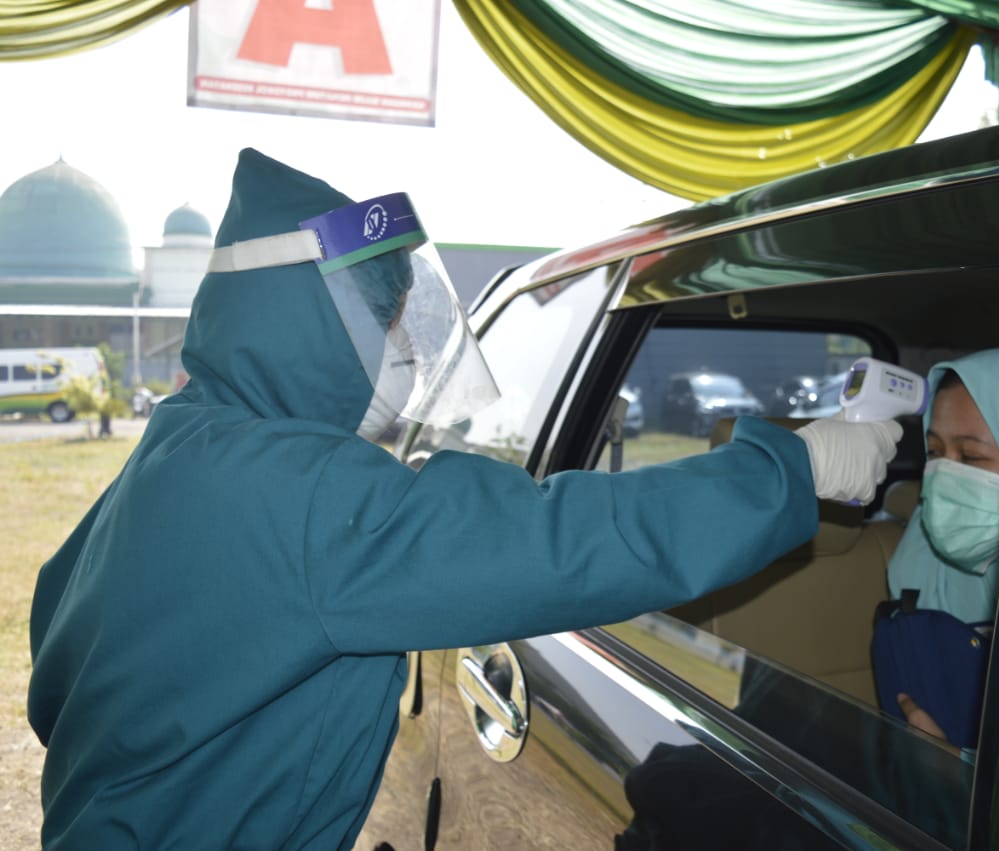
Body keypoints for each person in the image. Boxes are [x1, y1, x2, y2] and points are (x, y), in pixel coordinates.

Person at [26, 148, 902, 850]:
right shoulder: (305, 491)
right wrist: (792, 465)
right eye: (391, 322)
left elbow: (53, 656)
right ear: (313, 323)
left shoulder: (184, 443)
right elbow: (558, 539)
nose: (407, 348)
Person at [871, 347, 999, 748]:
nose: (945, 474)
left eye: (971, 456)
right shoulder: (919, 561)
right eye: (935, 452)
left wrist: (953, 767)